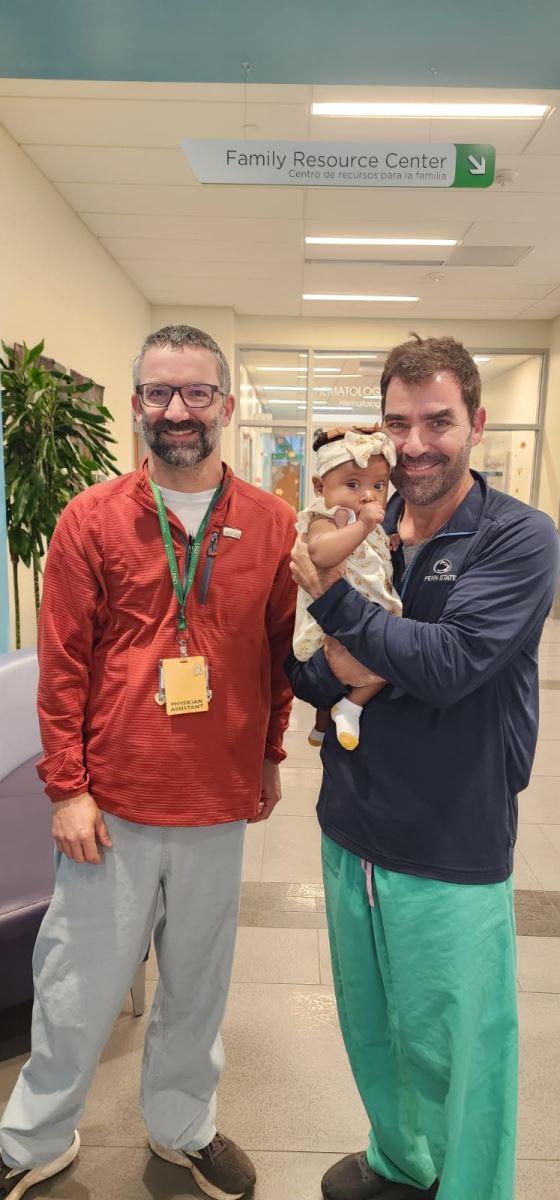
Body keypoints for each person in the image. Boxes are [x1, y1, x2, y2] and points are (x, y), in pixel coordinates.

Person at [0, 325, 296, 1200]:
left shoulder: (272, 522)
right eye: (159, 394)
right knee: (75, 987)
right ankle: (35, 1138)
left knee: (198, 986)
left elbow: (276, 658)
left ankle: (183, 1128)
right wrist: (69, 789)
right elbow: (63, 668)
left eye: (196, 393)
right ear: (135, 405)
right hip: (113, 808)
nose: (177, 411)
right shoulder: (90, 520)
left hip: (215, 805)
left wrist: (270, 756)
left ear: (226, 407)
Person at [287, 334, 559, 1200]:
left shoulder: (519, 538)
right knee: (373, 1028)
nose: (415, 443)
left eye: (438, 420)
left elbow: (450, 665)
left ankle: (472, 1187)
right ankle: (402, 1160)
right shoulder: (361, 527)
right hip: (351, 825)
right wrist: (356, 657)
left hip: (451, 838)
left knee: (460, 1050)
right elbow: (296, 671)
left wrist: (337, 612)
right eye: (398, 422)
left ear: (474, 424)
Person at [293, 425, 401, 750]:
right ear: (319, 487)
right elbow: (322, 553)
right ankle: (349, 708)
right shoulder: (328, 517)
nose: (368, 494)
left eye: (379, 485)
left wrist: (386, 539)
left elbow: (368, 551)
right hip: (332, 623)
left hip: (360, 615)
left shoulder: (366, 520)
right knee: (388, 663)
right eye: (353, 484)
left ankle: (324, 722)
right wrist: (366, 525)